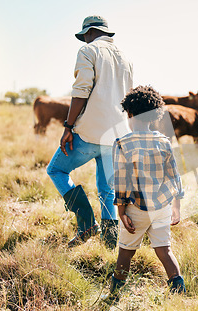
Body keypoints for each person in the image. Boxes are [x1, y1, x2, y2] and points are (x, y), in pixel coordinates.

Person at [46, 15, 133, 248]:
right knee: (107, 189)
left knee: (56, 170)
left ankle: (86, 224)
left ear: (89, 32)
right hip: (117, 134)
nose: (84, 40)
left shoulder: (88, 51)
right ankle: (110, 243)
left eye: (84, 36)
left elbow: (81, 90)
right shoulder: (125, 57)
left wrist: (68, 127)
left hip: (89, 132)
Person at [104, 85, 185, 302]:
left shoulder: (122, 143)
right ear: (154, 116)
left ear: (129, 114)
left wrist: (121, 212)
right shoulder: (163, 141)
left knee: (125, 252)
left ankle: (115, 295)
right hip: (162, 207)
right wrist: (176, 207)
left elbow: (121, 183)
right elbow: (174, 177)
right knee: (165, 251)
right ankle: (179, 292)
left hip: (136, 209)